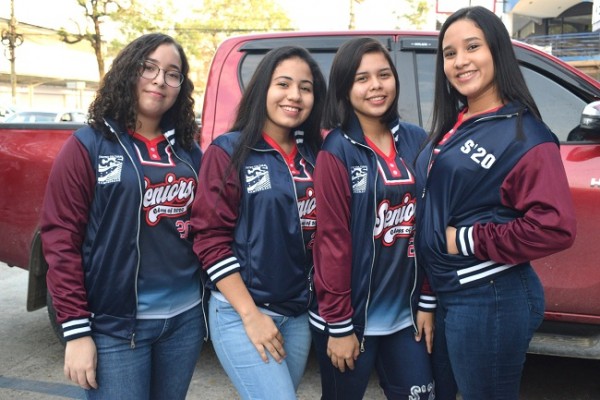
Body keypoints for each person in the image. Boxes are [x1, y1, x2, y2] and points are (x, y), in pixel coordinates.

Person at [414, 6, 577, 400]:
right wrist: (429, 295)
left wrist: (465, 240)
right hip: (452, 292)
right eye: (449, 53)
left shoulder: (526, 135)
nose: (460, 61)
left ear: (497, 51)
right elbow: (438, 208)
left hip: (490, 295)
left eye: (472, 46)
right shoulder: (458, 121)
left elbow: (555, 226)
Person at [40, 33, 206, 399]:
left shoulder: (190, 152)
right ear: (128, 72)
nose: (160, 80)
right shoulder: (89, 145)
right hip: (115, 328)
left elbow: (210, 230)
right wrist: (77, 331)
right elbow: (60, 239)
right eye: (149, 68)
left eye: (173, 73)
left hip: (185, 321)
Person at [190, 46, 326, 400]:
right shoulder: (229, 151)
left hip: (297, 317)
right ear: (262, 87)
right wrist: (251, 315)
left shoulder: (317, 155)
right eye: (283, 84)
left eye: (305, 88)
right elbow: (209, 240)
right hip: (243, 313)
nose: (294, 96)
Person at [309, 37, 436, 400]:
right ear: (345, 88)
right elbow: (332, 242)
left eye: (383, 74)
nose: (376, 86)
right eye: (362, 78)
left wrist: (426, 300)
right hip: (351, 321)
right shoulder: (336, 151)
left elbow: (429, 226)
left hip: (406, 318)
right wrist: (339, 324)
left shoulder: (416, 140)